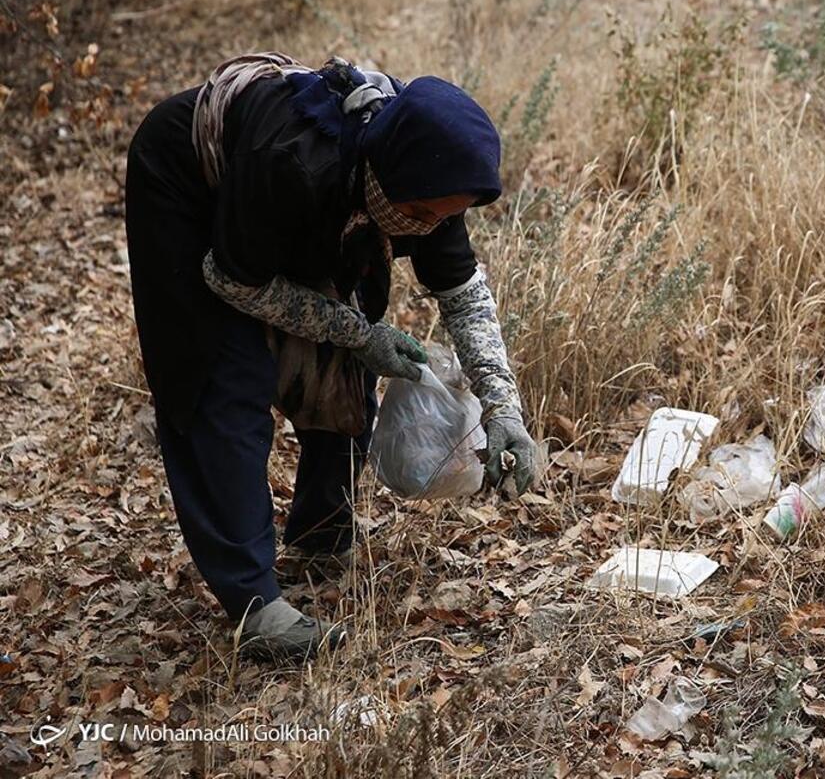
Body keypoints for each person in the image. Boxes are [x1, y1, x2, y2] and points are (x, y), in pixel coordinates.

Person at [124, 53, 537, 662]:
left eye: (442, 220)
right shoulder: (295, 162)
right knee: (223, 377)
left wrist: (504, 408)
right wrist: (355, 331)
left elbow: (463, 296)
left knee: (345, 367)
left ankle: (321, 535)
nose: (427, 231)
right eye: (419, 217)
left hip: (305, 210)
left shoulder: (431, 181)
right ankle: (255, 604)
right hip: (188, 190)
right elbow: (236, 281)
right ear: (389, 177)